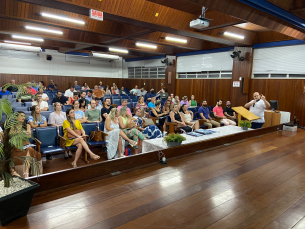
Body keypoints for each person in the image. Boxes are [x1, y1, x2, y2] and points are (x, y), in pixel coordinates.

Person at [9, 111, 42, 178]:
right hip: (17, 146)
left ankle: (26, 173)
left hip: (27, 144)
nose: (23, 117)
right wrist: (24, 133)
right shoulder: (12, 126)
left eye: (24, 116)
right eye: (21, 116)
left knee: (30, 149)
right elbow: (12, 135)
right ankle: (26, 173)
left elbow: (29, 135)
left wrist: (19, 133)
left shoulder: (27, 125)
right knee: (29, 150)